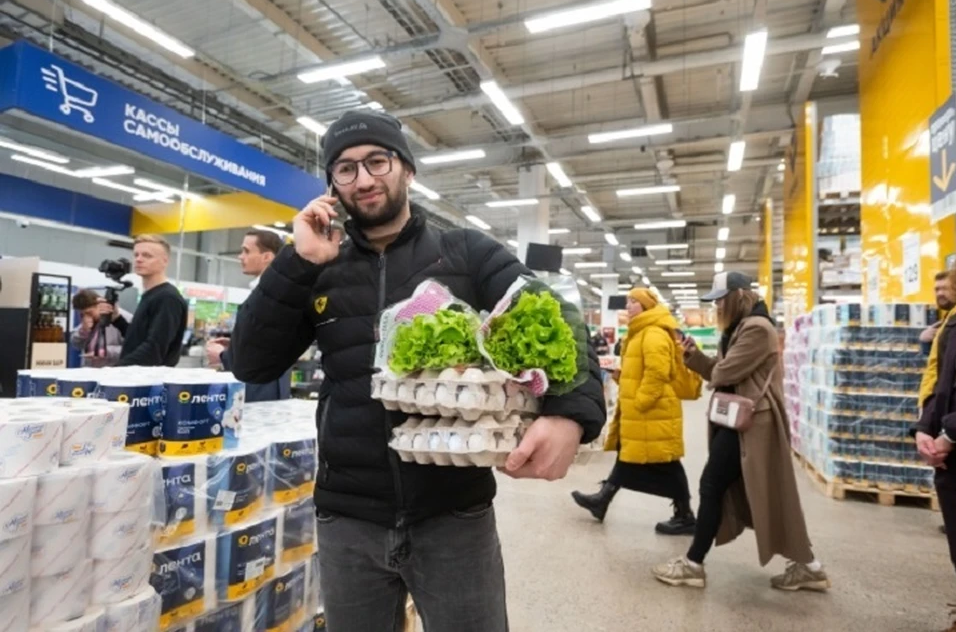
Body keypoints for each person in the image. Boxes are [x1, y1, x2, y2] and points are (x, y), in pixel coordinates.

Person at [229, 109, 605, 632]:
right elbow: (250, 361)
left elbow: (557, 322)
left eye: (376, 161)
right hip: (348, 518)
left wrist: (570, 414)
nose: (363, 179)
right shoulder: (318, 267)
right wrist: (296, 260)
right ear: (332, 186)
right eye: (345, 168)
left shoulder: (467, 254)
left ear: (407, 169)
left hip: (452, 515)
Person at [652, 271, 829, 592]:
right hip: (739, 419)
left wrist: (713, 364)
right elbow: (721, 372)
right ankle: (810, 567)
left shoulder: (757, 329)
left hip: (751, 424)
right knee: (759, 494)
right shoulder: (741, 328)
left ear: (738, 296)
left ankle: (693, 564)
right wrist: (694, 356)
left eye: (721, 300)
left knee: (713, 484)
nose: (717, 306)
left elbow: (723, 372)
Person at [571, 287, 696, 535]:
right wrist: (621, 377)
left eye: (633, 302)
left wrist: (641, 401)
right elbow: (641, 373)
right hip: (648, 411)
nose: (628, 306)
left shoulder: (652, 333)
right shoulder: (641, 332)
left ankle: (685, 515)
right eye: (627, 301)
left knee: (666, 462)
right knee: (628, 455)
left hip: (653, 410)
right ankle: (603, 499)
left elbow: (657, 373)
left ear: (646, 306)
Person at [915, 261, 956, 594]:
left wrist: (949, 434)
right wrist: (925, 429)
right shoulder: (952, 324)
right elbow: (942, 380)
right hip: (950, 450)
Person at [206, 230, 291, 402]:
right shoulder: (267, 292)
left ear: (266, 256)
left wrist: (223, 356)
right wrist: (238, 342)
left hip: (261, 390)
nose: (240, 256)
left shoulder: (273, 295)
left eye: (246, 251)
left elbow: (267, 353)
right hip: (262, 386)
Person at [115, 235, 188, 367]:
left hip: (149, 382)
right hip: (137, 378)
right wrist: (117, 320)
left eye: (147, 256)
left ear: (165, 261)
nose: (139, 259)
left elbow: (153, 350)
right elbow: (139, 338)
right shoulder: (150, 295)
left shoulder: (167, 298)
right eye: (136, 255)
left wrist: (114, 371)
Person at [70, 289, 126, 367]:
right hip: (89, 370)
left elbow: (132, 348)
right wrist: (83, 331)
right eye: (82, 314)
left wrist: (105, 351)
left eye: (89, 312)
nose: (86, 317)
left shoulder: (124, 318)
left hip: (113, 372)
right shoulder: (87, 319)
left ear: (99, 304)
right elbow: (76, 345)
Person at [921, 271, 956, 356]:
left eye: (945, 288)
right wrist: (926, 341)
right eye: (937, 289)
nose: (940, 293)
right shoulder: (948, 318)